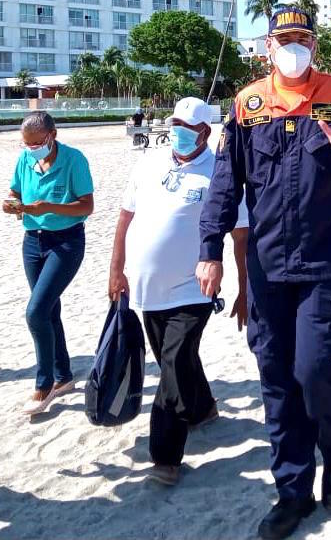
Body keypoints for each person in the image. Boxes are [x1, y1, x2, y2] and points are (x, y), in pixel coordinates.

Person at [198, 6, 331, 540]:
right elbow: (224, 183)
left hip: (324, 264)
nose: (294, 46)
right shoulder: (248, 104)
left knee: (313, 370)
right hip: (266, 267)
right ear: (268, 47)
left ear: (315, 45)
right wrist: (209, 247)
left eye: (302, 38)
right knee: (277, 380)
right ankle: (292, 492)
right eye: (285, 39)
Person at [109, 97, 249, 487]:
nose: (179, 132)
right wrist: (115, 271)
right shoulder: (148, 163)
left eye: (188, 126)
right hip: (146, 289)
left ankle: (165, 456)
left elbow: (241, 237)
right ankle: (202, 409)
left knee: (171, 363)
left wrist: (245, 289)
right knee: (178, 359)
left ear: (206, 132)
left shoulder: (220, 174)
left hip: (195, 287)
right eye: (175, 123)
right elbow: (124, 218)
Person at [5, 111, 94, 415]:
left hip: (66, 242)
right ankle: (64, 376)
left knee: (36, 312)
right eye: (25, 144)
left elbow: (87, 205)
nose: (30, 149)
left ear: (51, 135)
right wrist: (11, 202)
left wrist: (49, 207)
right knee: (49, 310)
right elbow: (16, 190)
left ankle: (43, 385)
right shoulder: (25, 160)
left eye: (35, 143)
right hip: (33, 241)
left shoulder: (74, 159)